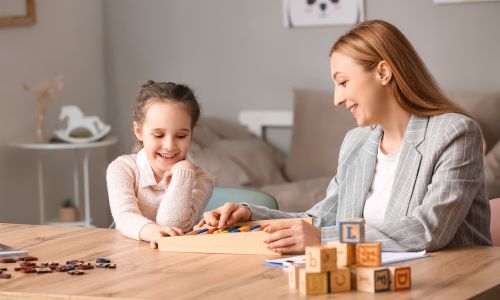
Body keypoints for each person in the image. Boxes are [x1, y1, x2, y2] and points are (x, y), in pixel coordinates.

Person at [199, 20, 491, 253]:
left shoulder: (454, 133)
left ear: (384, 72)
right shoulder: (357, 142)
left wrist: (323, 239)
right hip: (371, 277)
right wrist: (252, 215)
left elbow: (429, 230)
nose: (338, 99)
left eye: (343, 82)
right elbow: (321, 218)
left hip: (448, 283)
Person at [107, 81, 213, 248]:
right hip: (129, 260)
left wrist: (183, 174)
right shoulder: (122, 168)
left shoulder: (200, 179)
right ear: (139, 131)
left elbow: (173, 224)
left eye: (181, 136)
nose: (169, 145)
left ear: (191, 134)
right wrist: (154, 232)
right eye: (158, 135)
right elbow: (125, 217)